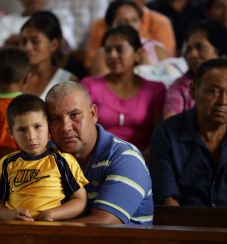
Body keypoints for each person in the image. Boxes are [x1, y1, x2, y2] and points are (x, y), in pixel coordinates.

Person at [0, 81, 153, 225]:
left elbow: (105, 223)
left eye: (75, 115)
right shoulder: (45, 154)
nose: (65, 127)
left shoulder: (125, 158)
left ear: (93, 114)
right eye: (55, 119)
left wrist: (42, 226)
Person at [0, 93, 88, 221]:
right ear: (11, 133)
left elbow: (80, 200)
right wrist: (9, 214)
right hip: (15, 232)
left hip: (52, 231)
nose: (31, 136)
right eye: (22, 130)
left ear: (49, 128)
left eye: (37, 127)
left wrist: (51, 214)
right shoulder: (7, 163)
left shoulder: (63, 161)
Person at [150, 58, 227, 207]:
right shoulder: (166, 133)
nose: (223, 101)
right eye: (214, 92)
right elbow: (167, 198)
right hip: (184, 224)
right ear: (193, 91)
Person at [82, 25, 166, 161]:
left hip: (143, 160)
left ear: (138, 53)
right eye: (108, 50)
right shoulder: (89, 86)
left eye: (119, 49)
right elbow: (83, 133)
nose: (112, 55)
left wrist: (135, 161)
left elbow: (158, 138)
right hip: (97, 160)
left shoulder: (155, 90)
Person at [163, 19, 227, 119]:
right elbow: (169, 127)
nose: (192, 55)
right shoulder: (179, 86)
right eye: (188, 49)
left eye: (199, 47)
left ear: (218, 50)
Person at [85, 0, 175, 70]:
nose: (130, 25)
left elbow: (170, 77)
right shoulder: (104, 54)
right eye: (123, 22)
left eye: (134, 20)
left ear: (141, 23)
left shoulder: (156, 48)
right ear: (110, 26)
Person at [19, 11, 77, 100]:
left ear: (53, 45)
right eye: (24, 41)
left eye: (35, 41)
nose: (28, 48)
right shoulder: (12, 76)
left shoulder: (67, 81)